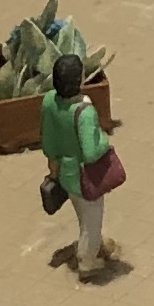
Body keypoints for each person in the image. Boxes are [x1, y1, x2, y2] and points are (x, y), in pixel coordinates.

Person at [40, 45, 124, 280]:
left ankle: (93, 245)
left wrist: (53, 167)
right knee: (92, 221)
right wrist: (103, 140)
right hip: (85, 177)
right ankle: (87, 260)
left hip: (64, 172)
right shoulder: (85, 111)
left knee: (82, 214)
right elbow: (91, 152)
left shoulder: (49, 101)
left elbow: (48, 139)